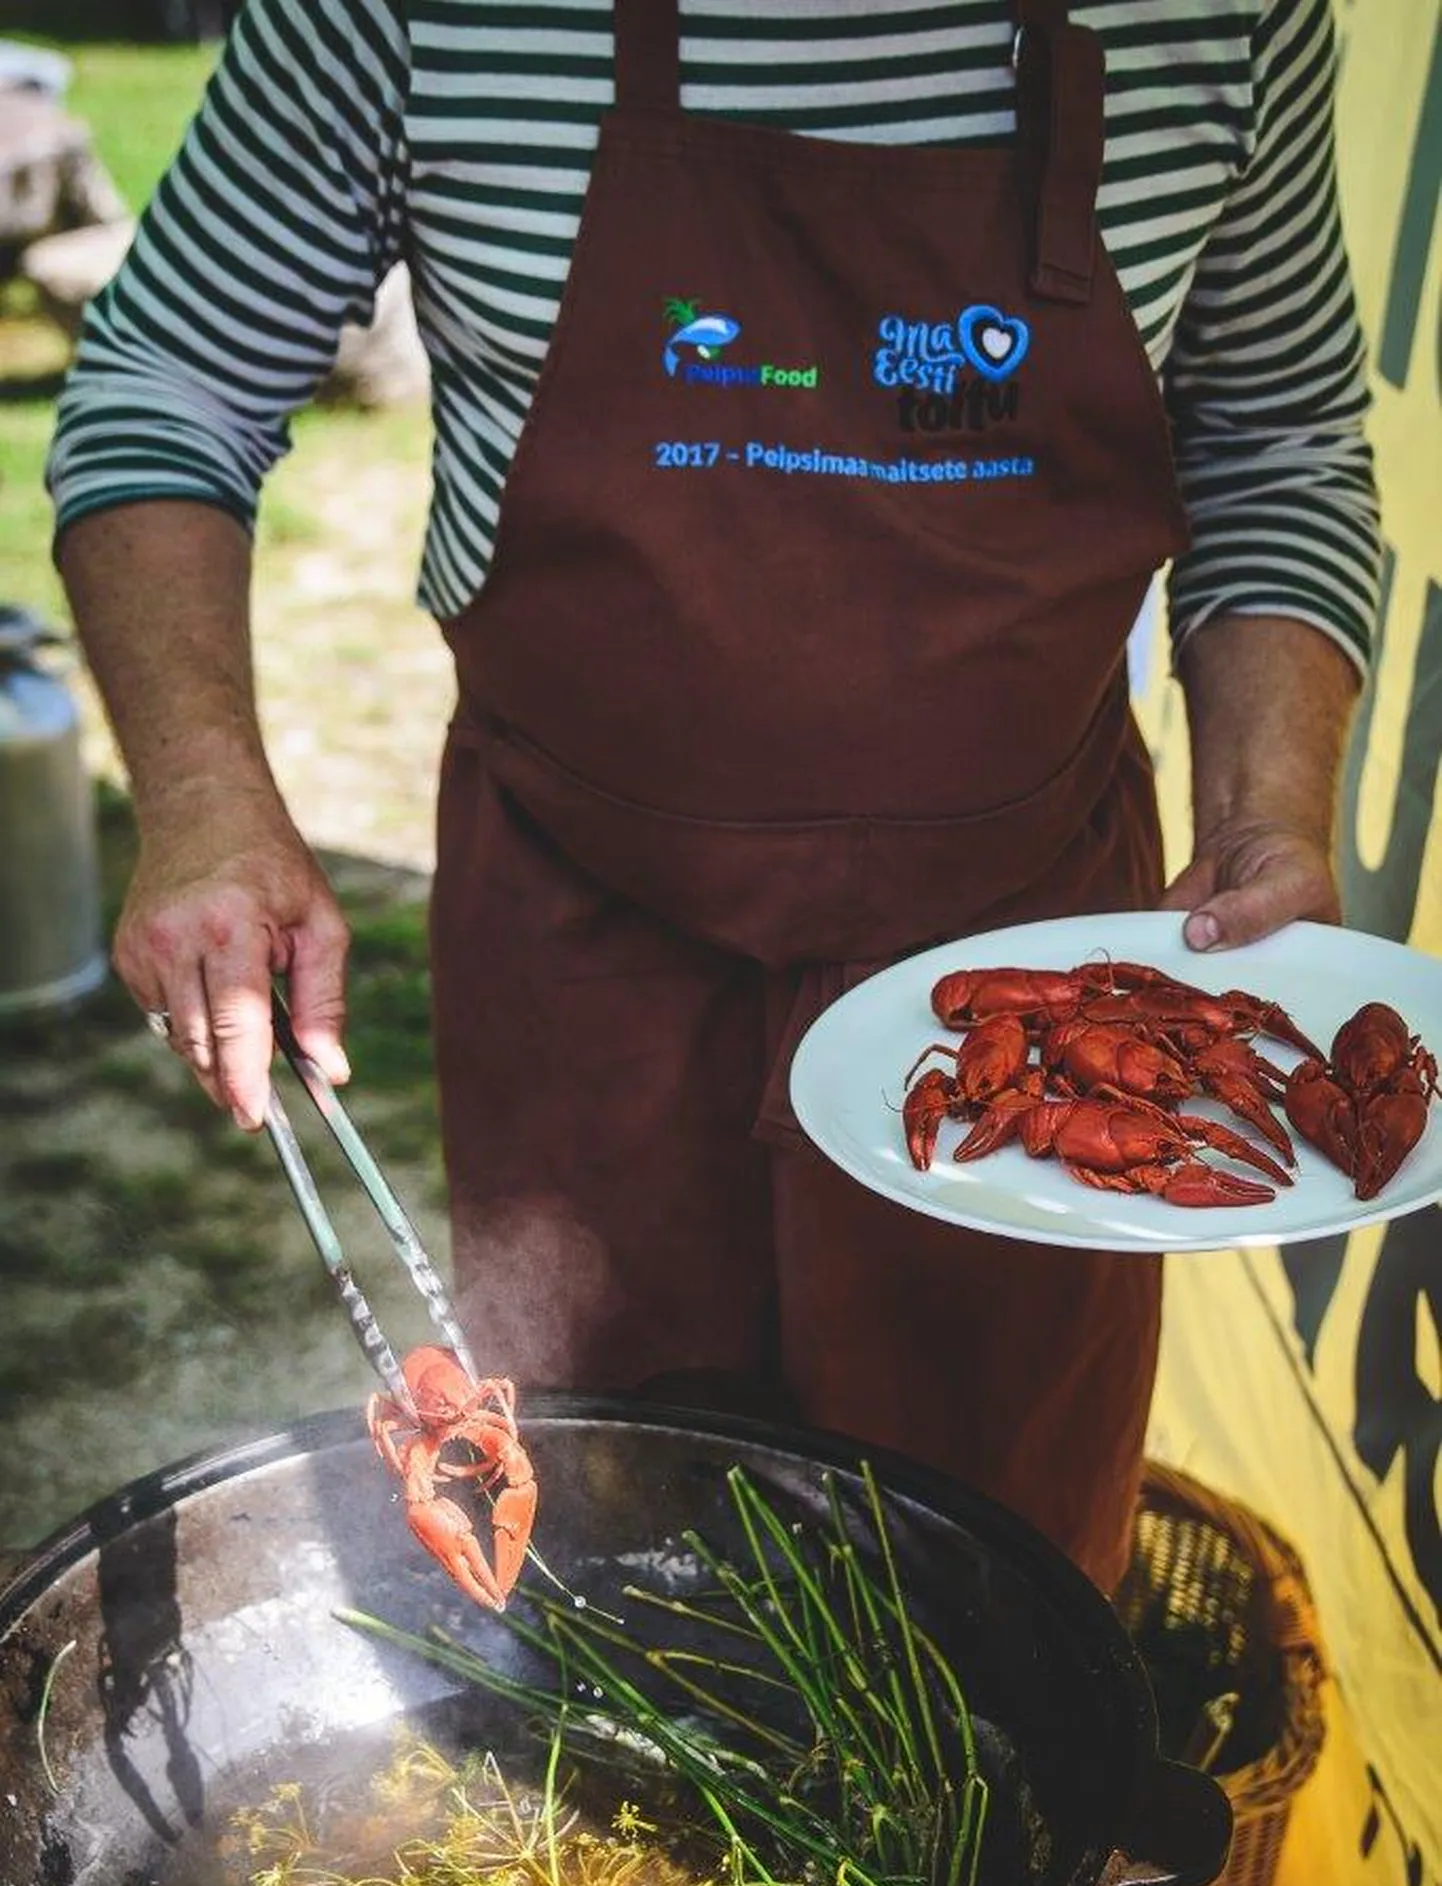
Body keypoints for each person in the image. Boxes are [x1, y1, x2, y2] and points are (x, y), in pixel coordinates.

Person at [47, 0, 1379, 1593]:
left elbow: (1277, 430)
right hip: (582, 931)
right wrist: (203, 800)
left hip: (1035, 971)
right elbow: (172, 372)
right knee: (611, 1561)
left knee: (989, 1599)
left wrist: (1265, 812)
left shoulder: (1225, 17)